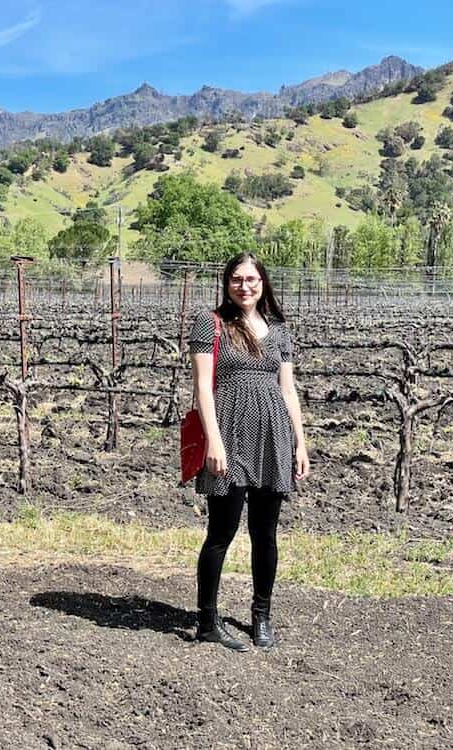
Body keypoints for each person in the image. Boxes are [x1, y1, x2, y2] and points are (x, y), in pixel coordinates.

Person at [188, 253, 309, 651]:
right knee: (220, 533)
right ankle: (207, 621)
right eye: (237, 279)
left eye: (252, 279)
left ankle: (262, 617)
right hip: (230, 434)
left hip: (272, 438)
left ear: (263, 283)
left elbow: (288, 390)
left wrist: (300, 441)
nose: (245, 286)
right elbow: (204, 387)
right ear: (227, 283)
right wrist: (214, 441)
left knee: (265, 534)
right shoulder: (212, 323)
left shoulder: (278, 329)